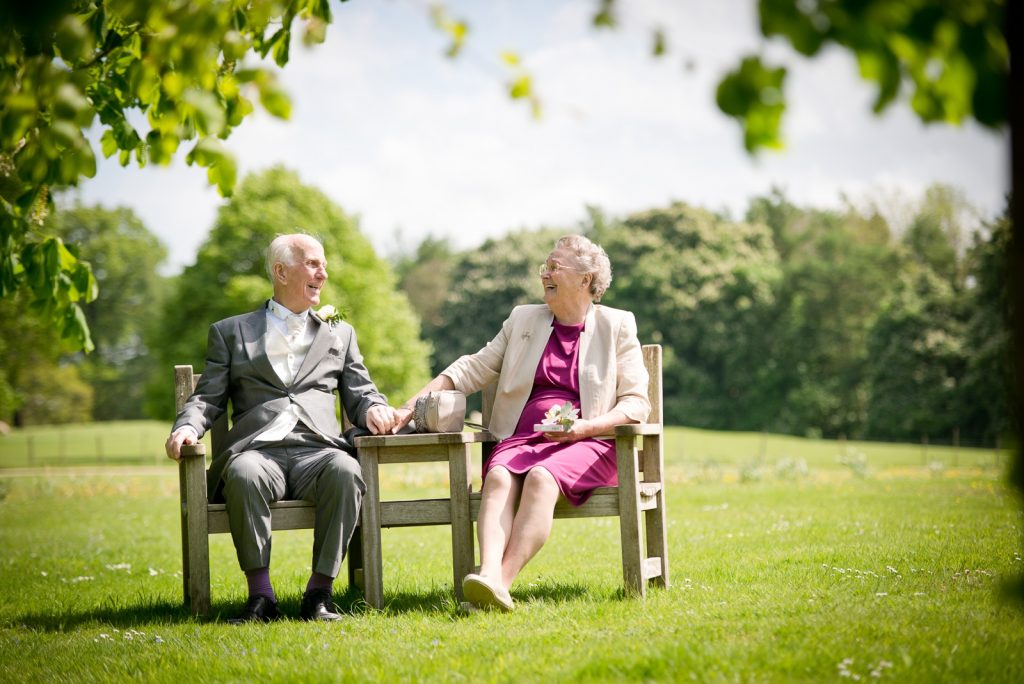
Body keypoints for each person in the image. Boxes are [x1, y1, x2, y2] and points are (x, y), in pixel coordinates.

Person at [394, 235, 650, 611]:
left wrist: (583, 428)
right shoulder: (522, 319)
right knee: (497, 476)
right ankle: (488, 578)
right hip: (523, 439)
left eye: (555, 266)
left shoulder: (617, 325)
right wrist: (409, 408)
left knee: (542, 478)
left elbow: (636, 404)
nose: (545, 273)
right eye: (544, 266)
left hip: (590, 443)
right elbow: (470, 368)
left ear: (585, 278)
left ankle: (499, 582)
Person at [165, 233, 401, 623]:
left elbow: (361, 391)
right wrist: (188, 427)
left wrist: (375, 408)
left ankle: (319, 595)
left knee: (347, 470)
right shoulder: (231, 332)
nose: (323, 273)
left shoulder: (340, 333)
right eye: (312, 264)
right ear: (280, 271)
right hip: (258, 453)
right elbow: (207, 397)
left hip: (318, 452)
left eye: (323, 265)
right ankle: (261, 598)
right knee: (242, 473)